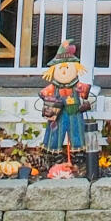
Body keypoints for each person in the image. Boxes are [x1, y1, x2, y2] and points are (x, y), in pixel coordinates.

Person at [39, 41, 93, 174]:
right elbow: (43, 93)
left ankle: (77, 153)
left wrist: (86, 101)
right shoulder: (54, 86)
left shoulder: (77, 85)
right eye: (61, 69)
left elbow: (86, 93)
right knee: (56, 132)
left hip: (74, 112)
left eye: (68, 68)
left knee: (77, 132)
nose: (64, 71)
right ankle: (54, 153)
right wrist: (49, 100)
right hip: (59, 114)